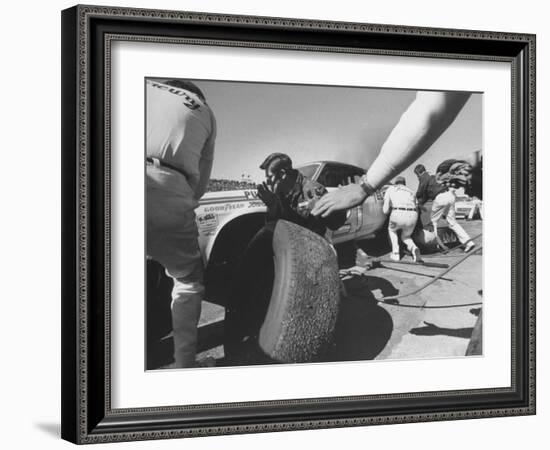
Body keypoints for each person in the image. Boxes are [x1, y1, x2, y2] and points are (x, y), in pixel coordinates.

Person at [146, 79, 217, 368]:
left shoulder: (143, 84)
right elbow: (199, 183)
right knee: (187, 280)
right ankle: (184, 365)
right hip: (169, 184)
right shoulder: (206, 111)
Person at [311, 91, 472, 217]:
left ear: (418, 173)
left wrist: (364, 187)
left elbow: (430, 111)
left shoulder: (421, 181)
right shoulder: (417, 184)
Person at [256, 152, 347, 237]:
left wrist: (324, 211)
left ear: (282, 174)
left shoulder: (312, 190)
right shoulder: (278, 193)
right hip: (293, 241)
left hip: (314, 243)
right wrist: (273, 206)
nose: (267, 182)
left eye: (270, 177)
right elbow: (276, 226)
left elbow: (336, 224)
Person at [414, 164, 475, 252]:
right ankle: (469, 242)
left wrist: (416, 203)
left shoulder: (424, 177)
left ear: (419, 173)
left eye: (417, 175)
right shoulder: (433, 176)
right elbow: (428, 192)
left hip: (441, 198)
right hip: (450, 195)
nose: (417, 177)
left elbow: (420, 193)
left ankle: (437, 245)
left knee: (433, 222)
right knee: (452, 222)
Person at [382, 176, 422, 262]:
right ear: (404, 184)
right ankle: (414, 248)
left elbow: (385, 210)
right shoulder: (411, 191)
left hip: (397, 213)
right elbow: (417, 206)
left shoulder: (391, 189)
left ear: (396, 183)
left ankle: (395, 253)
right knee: (406, 236)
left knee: (392, 230)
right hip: (413, 215)